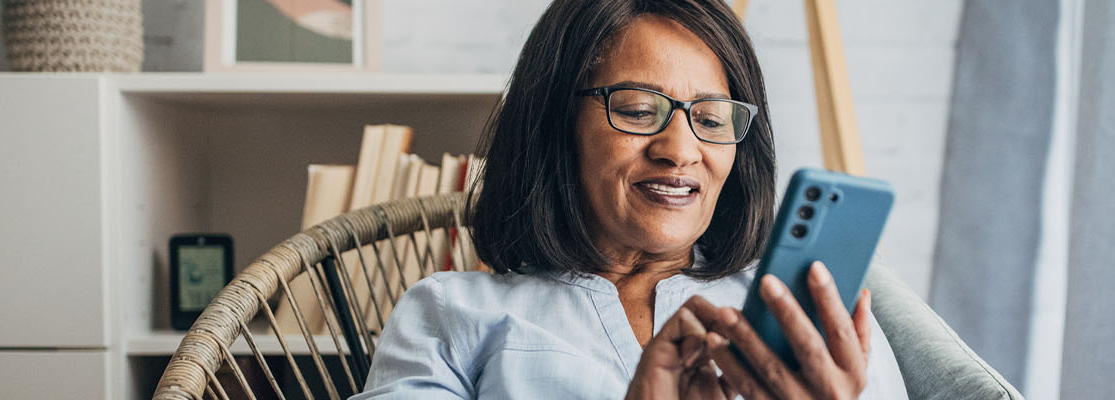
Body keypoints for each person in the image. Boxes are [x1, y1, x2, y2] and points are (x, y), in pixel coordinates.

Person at [353, 0, 907, 398]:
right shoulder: (454, 313)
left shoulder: (810, 319)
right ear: (555, 123)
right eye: (639, 111)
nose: (680, 151)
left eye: (712, 118)